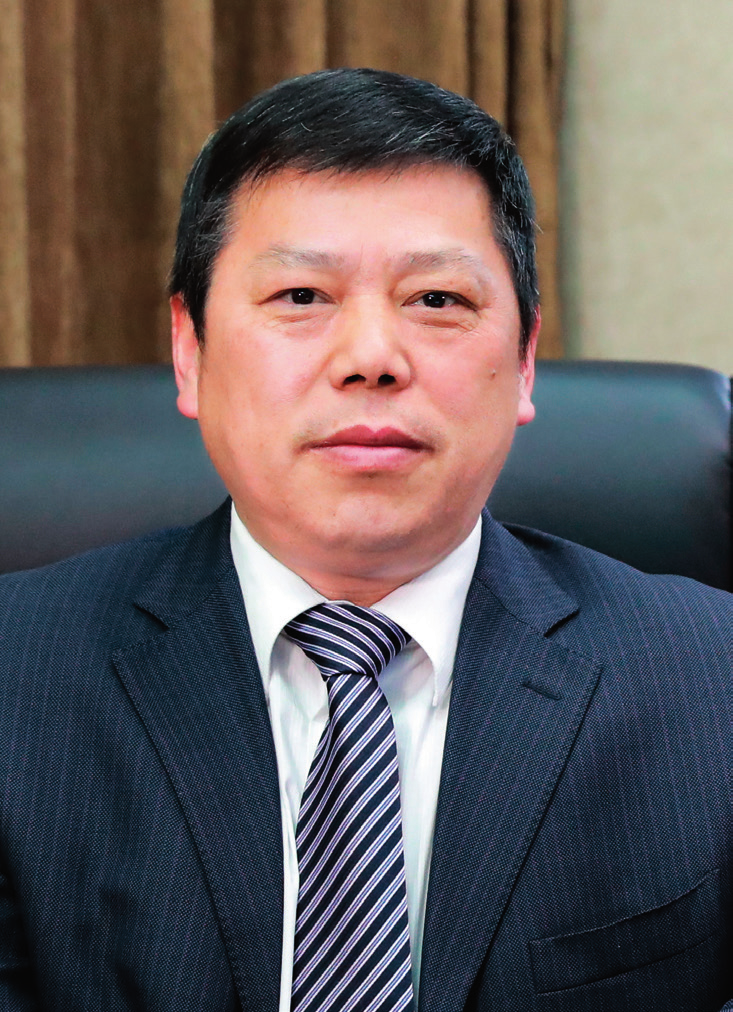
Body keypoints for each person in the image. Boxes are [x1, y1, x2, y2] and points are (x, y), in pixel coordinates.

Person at [0, 68, 731, 1012]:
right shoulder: (16, 676)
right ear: (190, 351)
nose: (371, 357)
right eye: (301, 294)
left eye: (437, 300)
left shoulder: (712, 682)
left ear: (523, 361)